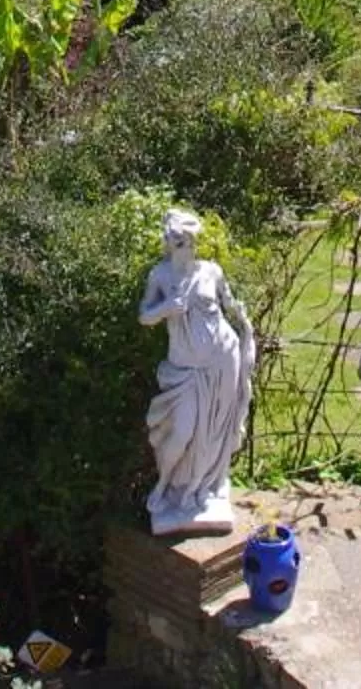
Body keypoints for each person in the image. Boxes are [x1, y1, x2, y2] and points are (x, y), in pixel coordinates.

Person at [139, 207, 256, 535]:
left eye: (189, 242)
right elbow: (143, 315)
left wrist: (246, 327)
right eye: (179, 243)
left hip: (223, 360)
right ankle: (164, 486)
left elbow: (229, 304)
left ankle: (200, 490)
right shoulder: (160, 275)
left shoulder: (210, 271)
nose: (186, 249)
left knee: (215, 432)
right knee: (183, 433)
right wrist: (164, 309)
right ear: (168, 244)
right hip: (185, 371)